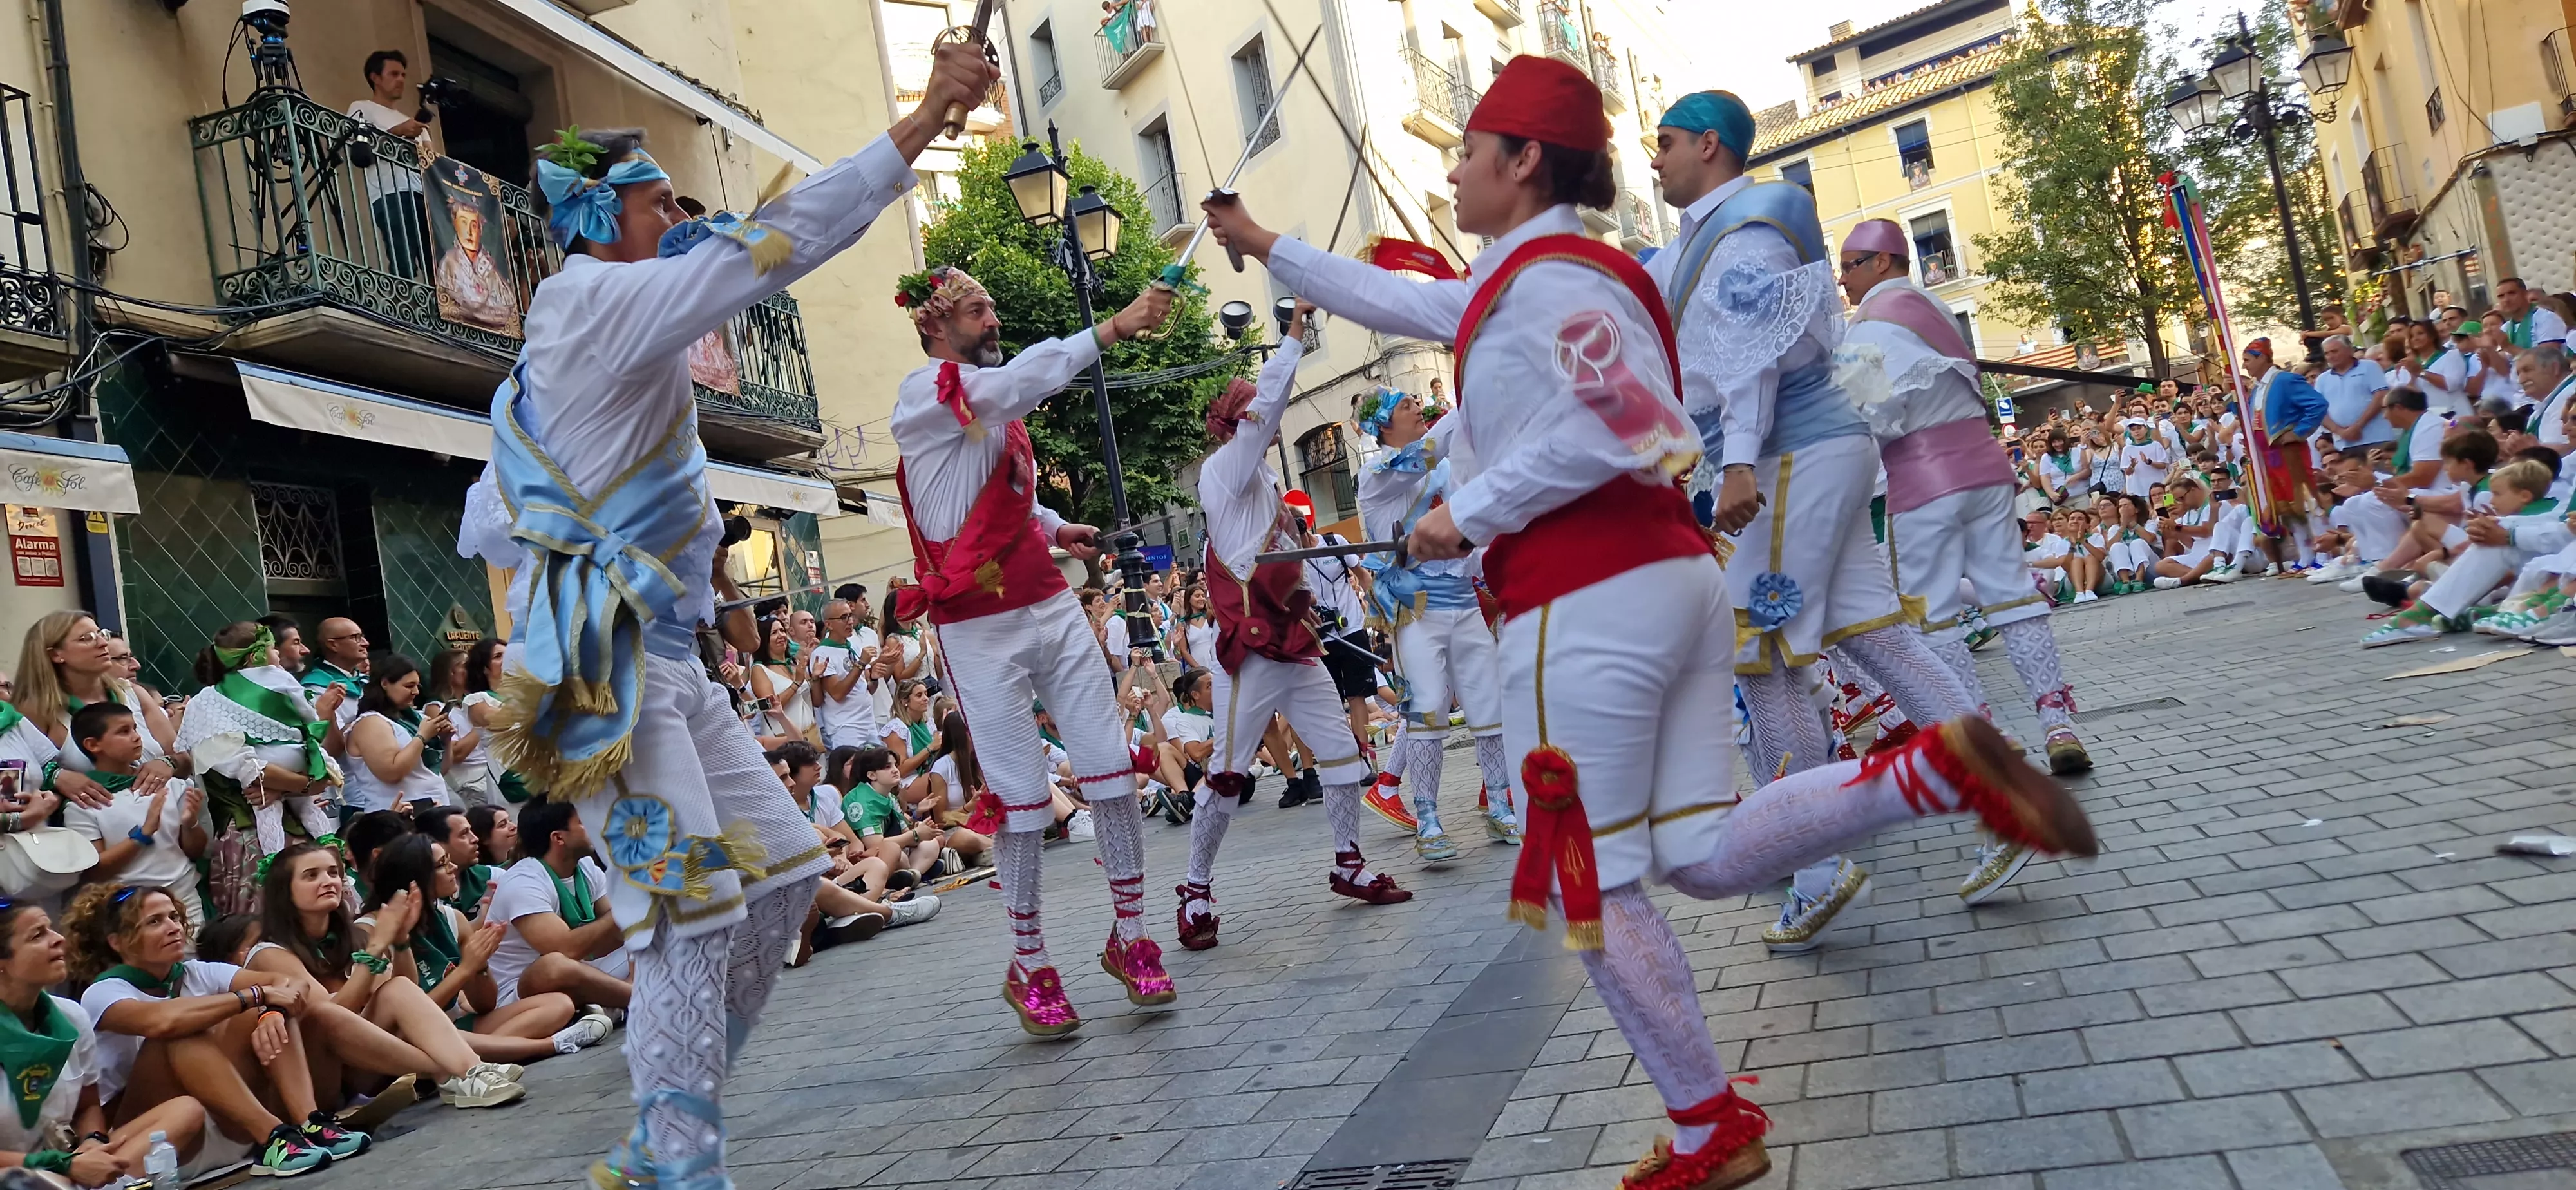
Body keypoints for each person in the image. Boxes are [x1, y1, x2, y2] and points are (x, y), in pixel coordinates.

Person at [1204, 66, 2099, 1189]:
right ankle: (1924, 775)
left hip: (1585, 600)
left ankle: (1704, 1125)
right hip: (1659, 589)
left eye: (1469, 146)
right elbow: (1403, 303)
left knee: (1593, 873)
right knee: (1692, 850)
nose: (1450, 166)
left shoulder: (1548, 284)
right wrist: (1262, 239)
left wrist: (1461, 512)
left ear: (1524, 159)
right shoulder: (1539, 276)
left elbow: (1630, 422)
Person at [448, 55, 1003, 1178]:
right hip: (605, 676)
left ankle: (669, 1127)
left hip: (663, 664)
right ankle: (678, 1157)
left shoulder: (612, 306)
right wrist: (922, 124)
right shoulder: (598, 300)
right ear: (603, 209)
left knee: (790, 873)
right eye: (661, 201)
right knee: (688, 922)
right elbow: (780, 242)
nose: (680, 217)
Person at [1646, 93, 1991, 956]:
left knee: (1763, 658)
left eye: (1665, 144)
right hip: (1806, 453)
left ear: (1710, 147)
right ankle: (2007, 800)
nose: (1653, 160)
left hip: (1784, 456)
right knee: (1876, 640)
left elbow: (1753, 357)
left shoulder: (1750, 227)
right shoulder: (1700, 235)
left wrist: (1735, 465)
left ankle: (1812, 864)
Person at [885, 249, 1177, 1036]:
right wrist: (1114, 326)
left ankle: (1131, 935)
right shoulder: (926, 396)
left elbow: (1004, 497)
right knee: (1019, 802)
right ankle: (1029, 961)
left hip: (1047, 606)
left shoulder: (990, 410)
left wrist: (1056, 527)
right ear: (936, 322)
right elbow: (1016, 383)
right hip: (975, 629)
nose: (996, 321)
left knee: (1111, 776)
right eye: (980, 311)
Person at [1177, 303, 1408, 954]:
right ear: (1236, 424)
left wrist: (1307, 595)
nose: (1266, 419)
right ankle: (1195, 889)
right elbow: (1271, 404)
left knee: (1339, 755)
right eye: (1254, 412)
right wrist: (1296, 335)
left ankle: (1347, 861)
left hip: (1294, 642)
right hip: (1250, 654)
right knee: (1225, 775)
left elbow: (1278, 564)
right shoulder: (1224, 472)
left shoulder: (1263, 481)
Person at [1835, 218, 2091, 784]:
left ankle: (1983, 734)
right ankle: (2057, 722)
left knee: (1933, 615)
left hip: (1922, 483)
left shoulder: (1866, 329)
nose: (1843, 280)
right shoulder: (1939, 312)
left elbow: (1874, 421)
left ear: (1882, 261)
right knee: (2013, 596)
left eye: (1849, 266)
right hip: (1986, 470)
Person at [64, 884, 356, 1176]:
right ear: (118, 942)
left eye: (174, 917)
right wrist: (254, 996)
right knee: (179, 1032)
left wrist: (271, 1011)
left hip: (223, 1119)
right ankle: (273, 1137)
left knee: (270, 1008)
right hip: (157, 1130)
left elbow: (289, 983)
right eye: (155, 922)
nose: (173, 927)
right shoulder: (102, 992)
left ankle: (311, 1123)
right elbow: (162, 1022)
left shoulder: (198, 971)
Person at [1350, 382, 1522, 861]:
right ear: (1382, 425)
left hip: (1464, 602)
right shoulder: (1377, 475)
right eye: (1407, 406)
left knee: (1489, 709)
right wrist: (1473, 397)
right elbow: (1425, 453)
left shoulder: (1448, 466)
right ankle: (1427, 816)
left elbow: (1476, 531)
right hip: (1414, 607)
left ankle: (1503, 806)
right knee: (1427, 711)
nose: (1419, 409)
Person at [246, 844, 527, 1109]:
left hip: (364, 1072)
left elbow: (404, 998)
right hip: (317, 1084)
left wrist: (401, 941)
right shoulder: (269, 953)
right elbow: (329, 1019)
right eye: (311, 876)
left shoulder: (349, 938)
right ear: (285, 892)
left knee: (398, 987)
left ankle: (468, 1070)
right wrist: (378, 947)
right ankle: (459, 1071)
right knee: (324, 1012)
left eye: (333, 872)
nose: (328, 881)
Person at [0, 900, 209, 1189]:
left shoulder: (70, 1015)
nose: (58, 939)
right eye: (38, 936)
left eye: (51, 930)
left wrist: (93, 1141)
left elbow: (88, 1106)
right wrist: (65, 1166)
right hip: (19, 1172)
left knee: (185, 1111)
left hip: (68, 1161)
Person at [357, 835, 614, 1066]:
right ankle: (549, 1045)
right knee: (438, 1036)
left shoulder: (452, 918)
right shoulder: (373, 929)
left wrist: (479, 966)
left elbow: (484, 1004)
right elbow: (396, 1018)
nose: (453, 869)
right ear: (415, 877)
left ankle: (472, 1058)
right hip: (408, 1037)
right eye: (442, 865)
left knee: (559, 1004)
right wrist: (465, 969)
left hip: (456, 1024)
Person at [171, 621, 339, 870]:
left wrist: (288, 789)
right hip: (247, 821)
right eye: (273, 648)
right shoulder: (209, 702)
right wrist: (306, 783)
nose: (279, 654)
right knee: (293, 808)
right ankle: (328, 846)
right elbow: (245, 768)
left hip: (270, 795)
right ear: (256, 655)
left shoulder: (209, 700)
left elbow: (254, 774)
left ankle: (274, 862)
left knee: (267, 808)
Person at [56, 704, 210, 938]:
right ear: (93, 745)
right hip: (130, 907)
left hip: (185, 896)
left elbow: (194, 850)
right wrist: (143, 835)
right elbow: (94, 871)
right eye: (123, 731)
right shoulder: (84, 804)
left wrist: (190, 825)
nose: (137, 737)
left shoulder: (171, 785)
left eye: (136, 728)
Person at [480, 802, 632, 1020]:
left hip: (582, 972)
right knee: (555, 965)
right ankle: (638, 997)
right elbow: (566, 950)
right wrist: (626, 908)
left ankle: (620, 999)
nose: (594, 826)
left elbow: (619, 932)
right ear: (559, 838)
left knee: (647, 934)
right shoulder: (523, 881)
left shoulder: (587, 866)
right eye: (581, 822)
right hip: (519, 995)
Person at [2239, 338, 2332, 574]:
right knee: (2287, 507)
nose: (2244, 365)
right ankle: (2307, 554)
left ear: (2262, 358)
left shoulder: (2286, 380)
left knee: (2306, 501)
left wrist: (2299, 432)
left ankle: (2324, 553)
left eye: (2248, 360)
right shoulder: (2257, 387)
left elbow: (2317, 404)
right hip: (2267, 456)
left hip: (2287, 451)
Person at [347, 50, 435, 279]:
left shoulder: (412, 120)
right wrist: (399, 132)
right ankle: (405, 307)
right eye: (394, 74)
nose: (401, 80)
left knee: (437, 264)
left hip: (422, 195)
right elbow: (358, 146)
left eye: (404, 75)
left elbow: (432, 160)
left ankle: (441, 313)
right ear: (375, 78)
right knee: (402, 259)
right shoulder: (362, 107)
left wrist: (423, 142)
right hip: (390, 194)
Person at [344, 656, 453, 813]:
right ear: (385, 683)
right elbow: (391, 772)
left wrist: (446, 740)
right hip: (396, 818)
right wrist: (422, 737)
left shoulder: (414, 718)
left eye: (417, 686)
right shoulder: (370, 722)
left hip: (434, 812)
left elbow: (440, 770)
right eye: (409, 686)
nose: (415, 692)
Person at [807, 600, 879, 751]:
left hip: (868, 721)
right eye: (843, 618)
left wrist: (875, 677)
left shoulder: (853, 645)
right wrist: (860, 664)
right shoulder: (822, 653)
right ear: (828, 625)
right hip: (846, 726)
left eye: (850, 616)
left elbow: (867, 688)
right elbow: (838, 694)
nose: (850, 622)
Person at [444, 640, 505, 806]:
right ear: (484, 668)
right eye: (498, 656)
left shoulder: (522, 695)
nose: (507, 660)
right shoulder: (477, 700)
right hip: (507, 777)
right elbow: (500, 720)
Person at [298, 618, 368, 761]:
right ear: (333, 645)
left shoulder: (364, 680)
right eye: (356, 637)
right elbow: (332, 744)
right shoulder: (316, 687)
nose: (365, 643)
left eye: (362, 636)